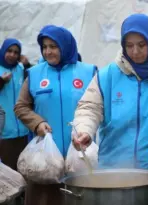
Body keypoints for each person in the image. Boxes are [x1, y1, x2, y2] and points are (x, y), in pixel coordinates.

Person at [72, 14, 148, 180]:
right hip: (114, 171)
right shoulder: (108, 76)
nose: (135, 52)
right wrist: (84, 130)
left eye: (141, 45)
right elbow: (89, 108)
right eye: (129, 46)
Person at [14, 25, 97, 205]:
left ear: (65, 46)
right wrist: (37, 123)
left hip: (80, 156)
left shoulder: (88, 72)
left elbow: (98, 108)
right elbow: (21, 106)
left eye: (53, 46)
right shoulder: (35, 74)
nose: (48, 51)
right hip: (46, 160)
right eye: (44, 47)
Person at [0, 38, 29, 172]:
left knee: (24, 169)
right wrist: (1, 81)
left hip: (23, 131)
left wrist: (27, 64)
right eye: (9, 51)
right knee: (8, 172)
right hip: (4, 132)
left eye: (16, 52)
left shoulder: (20, 68)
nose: (12, 55)